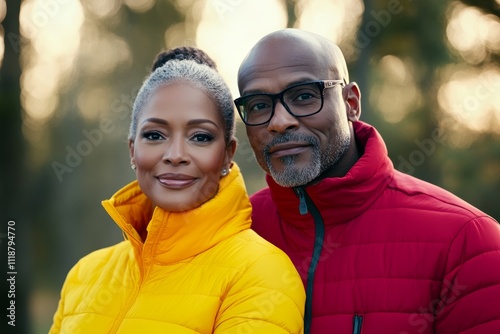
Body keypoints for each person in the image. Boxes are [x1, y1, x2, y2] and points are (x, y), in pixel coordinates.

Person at [234, 29, 500, 334]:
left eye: (305, 96)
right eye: (258, 105)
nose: (279, 121)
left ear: (351, 103)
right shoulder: (238, 231)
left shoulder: (467, 241)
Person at [50, 46, 305, 334]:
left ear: (227, 155)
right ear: (133, 150)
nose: (175, 154)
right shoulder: (85, 274)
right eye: (155, 135)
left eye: (200, 137)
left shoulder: (262, 273)